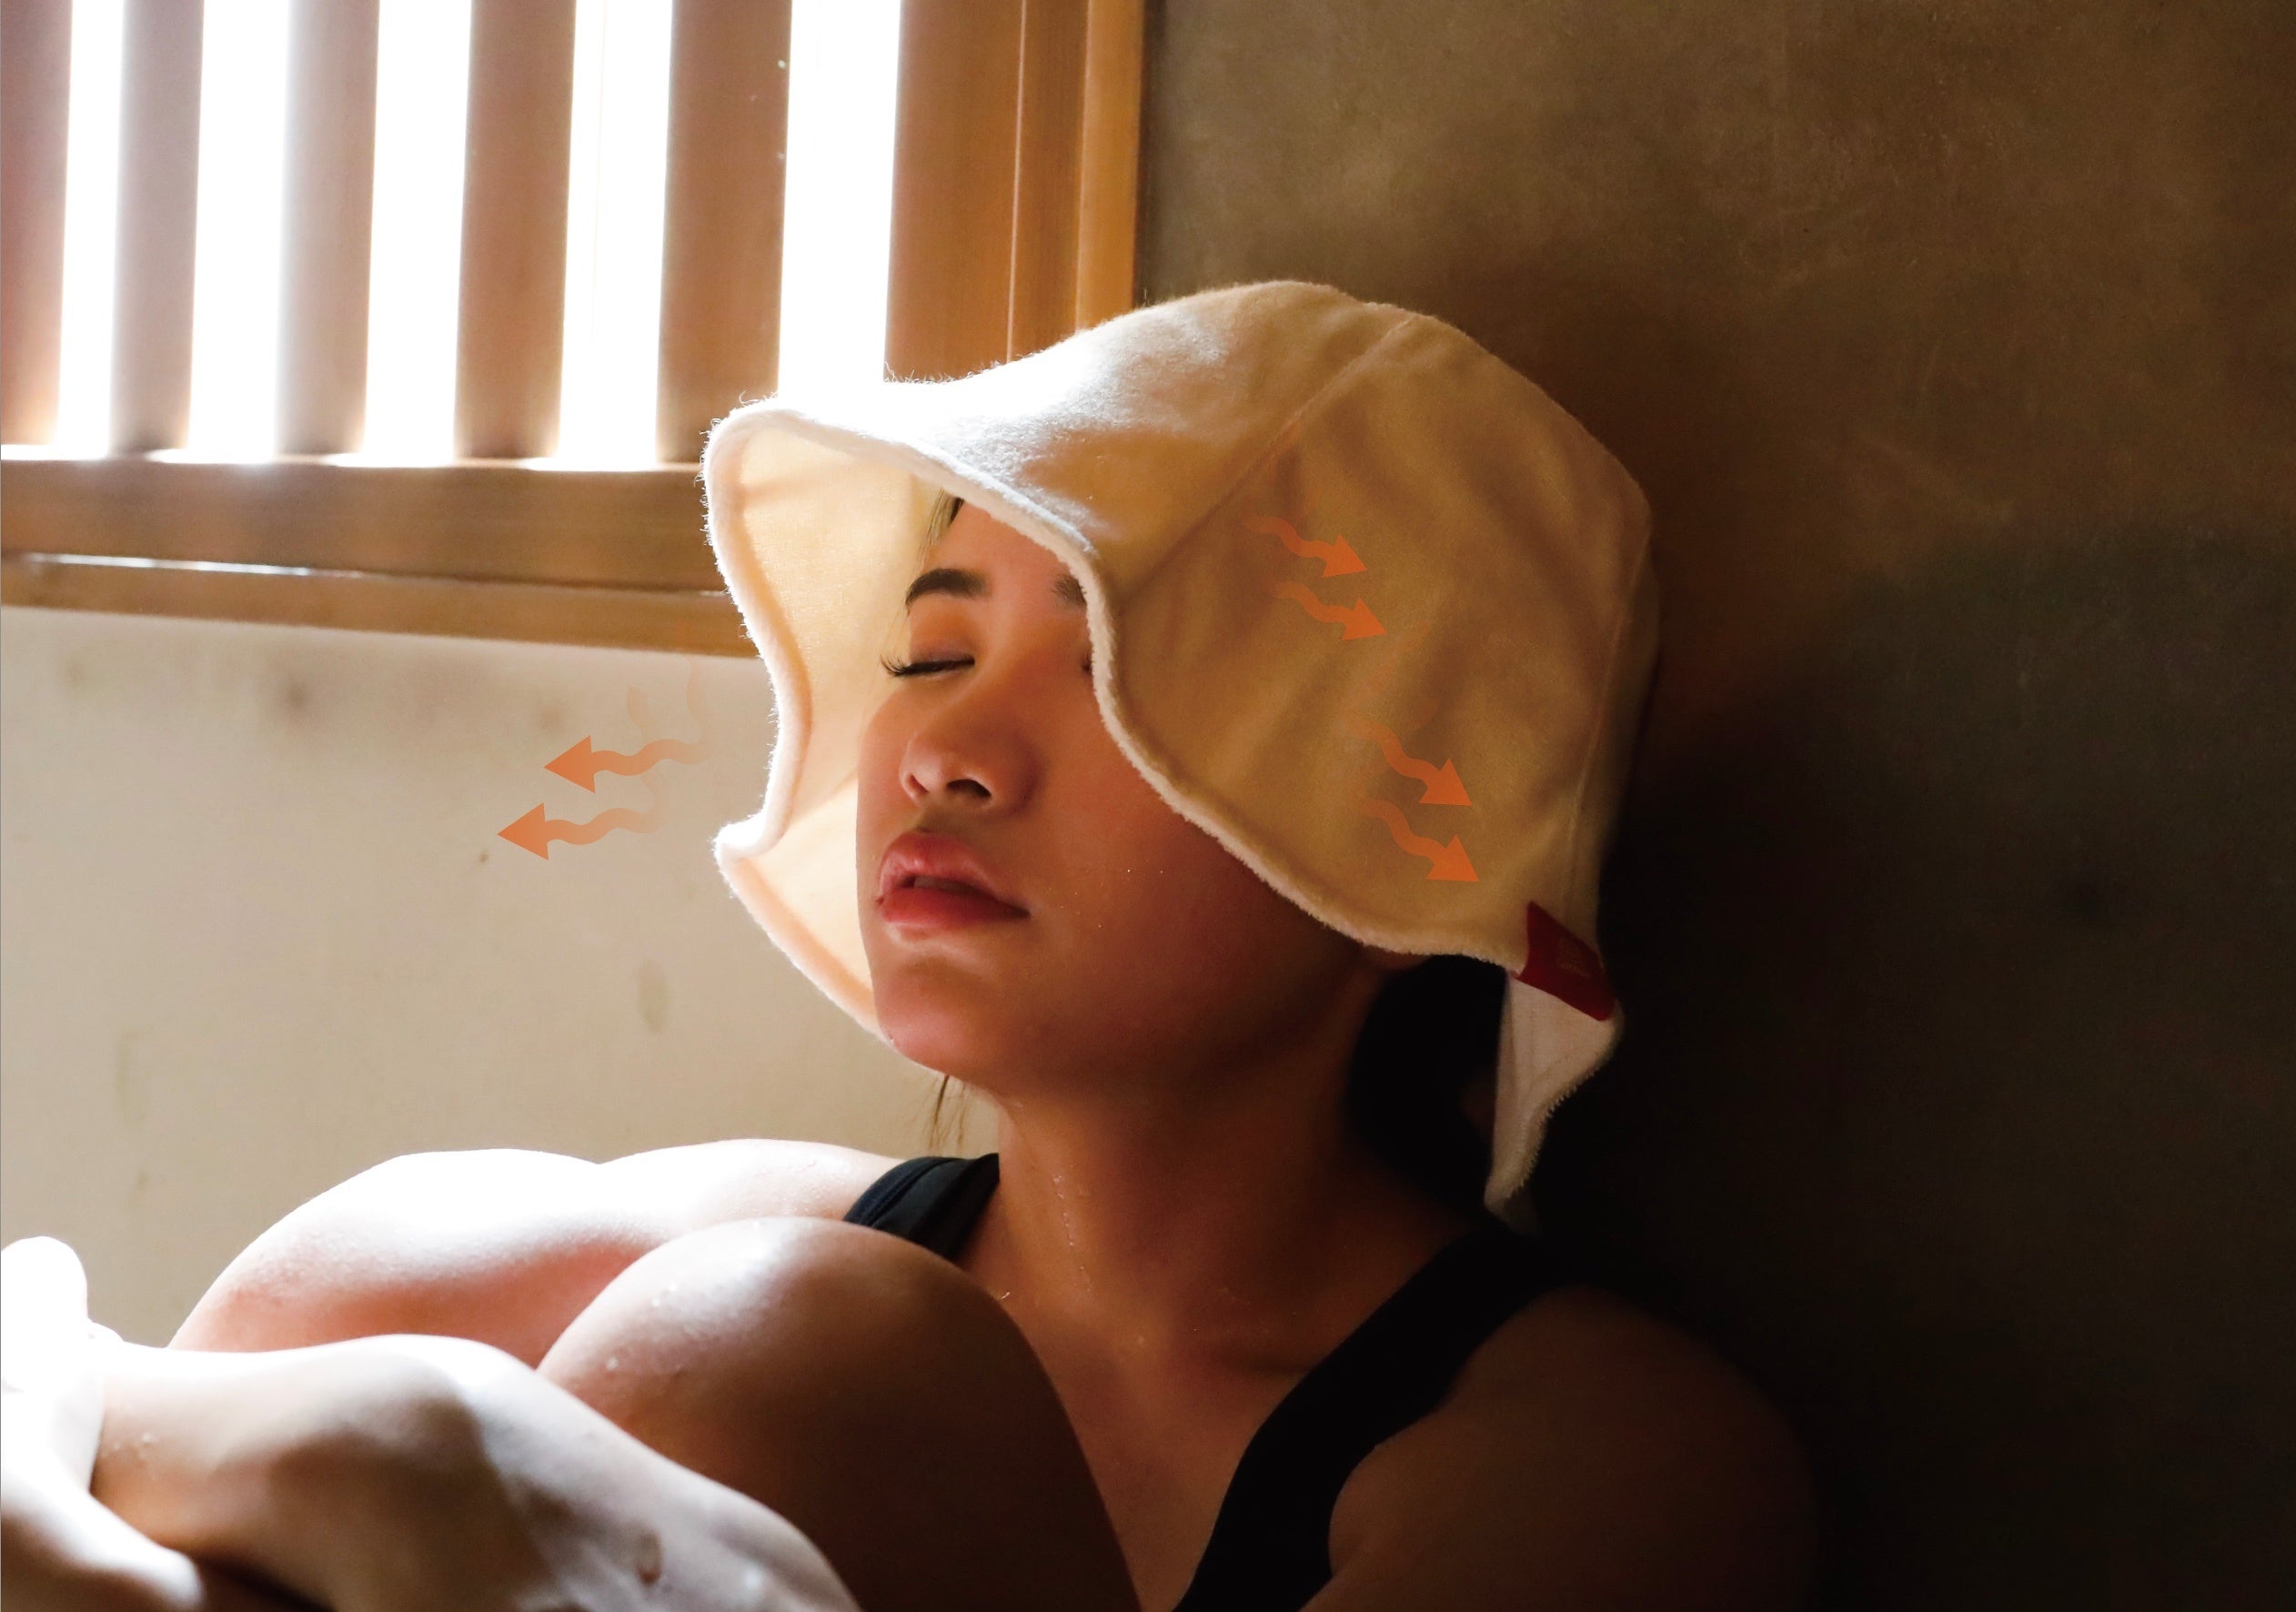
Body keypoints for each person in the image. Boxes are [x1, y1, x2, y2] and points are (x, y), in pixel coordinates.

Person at [2, 281, 1813, 1612]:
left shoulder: (1604, 1463)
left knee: (788, 1353)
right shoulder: (609, 1258)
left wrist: (427, 1466)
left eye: (1120, 675)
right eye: (931, 650)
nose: (945, 748)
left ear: (1408, 847)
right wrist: (410, 1445)